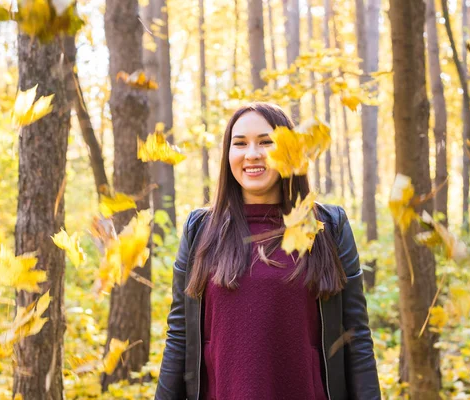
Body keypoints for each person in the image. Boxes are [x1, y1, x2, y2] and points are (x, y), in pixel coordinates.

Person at [155, 102, 381, 400]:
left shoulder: (327, 226)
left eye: (266, 142)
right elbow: (180, 336)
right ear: (228, 154)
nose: (252, 154)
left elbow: (356, 338)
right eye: (240, 144)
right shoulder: (200, 229)